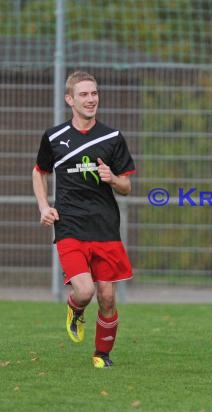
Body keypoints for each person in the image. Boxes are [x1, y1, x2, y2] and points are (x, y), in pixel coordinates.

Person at [32, 71, 136, 368]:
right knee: (86, 291)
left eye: (94, 93)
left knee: (107, 297)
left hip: (105, 227)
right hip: (70, 225)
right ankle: (75, 308)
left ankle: (102, 355)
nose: (91, 99)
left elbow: (127, 187)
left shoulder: (112, 137)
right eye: (84, 95)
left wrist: (113, 178)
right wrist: (43, 206)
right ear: (70, 99)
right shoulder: (54, 137)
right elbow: (39, 171)